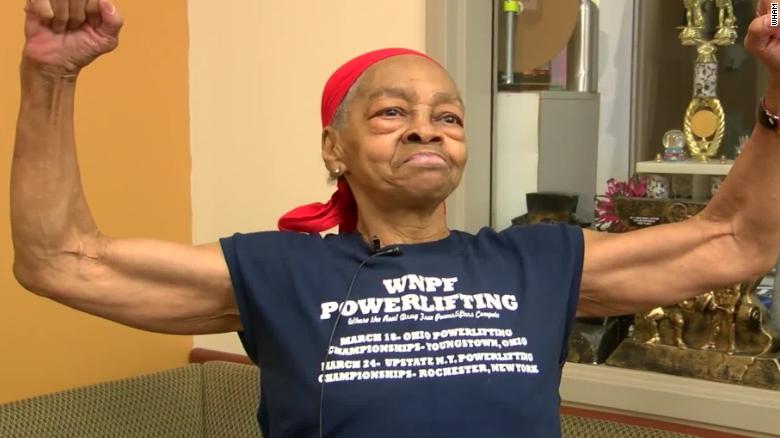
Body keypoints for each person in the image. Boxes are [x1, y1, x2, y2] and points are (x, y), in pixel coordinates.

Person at [10, 1, 780, 437]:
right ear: (333, 149)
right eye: (390, 113)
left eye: (448, 116)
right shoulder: (280, 271)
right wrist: (51, 75)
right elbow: (60, 260)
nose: (426, 130)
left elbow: (736, 240)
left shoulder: (534, 262)